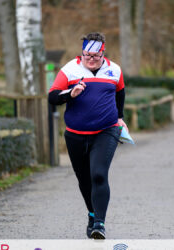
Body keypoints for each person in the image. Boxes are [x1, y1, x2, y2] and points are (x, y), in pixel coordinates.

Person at [48, 32, 128, 239]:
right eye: (87, 55)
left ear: (103, 54)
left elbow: (120, 93)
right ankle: (92, 214)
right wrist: (70, 93)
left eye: (96, 56)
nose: (91, 59)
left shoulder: (115, 70)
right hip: (75, 135)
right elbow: (52, 97)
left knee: (98, 174)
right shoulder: (69, 70)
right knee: (84, 179)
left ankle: (99, 224)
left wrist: (119, 117)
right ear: (81, 53)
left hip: (106, 131)